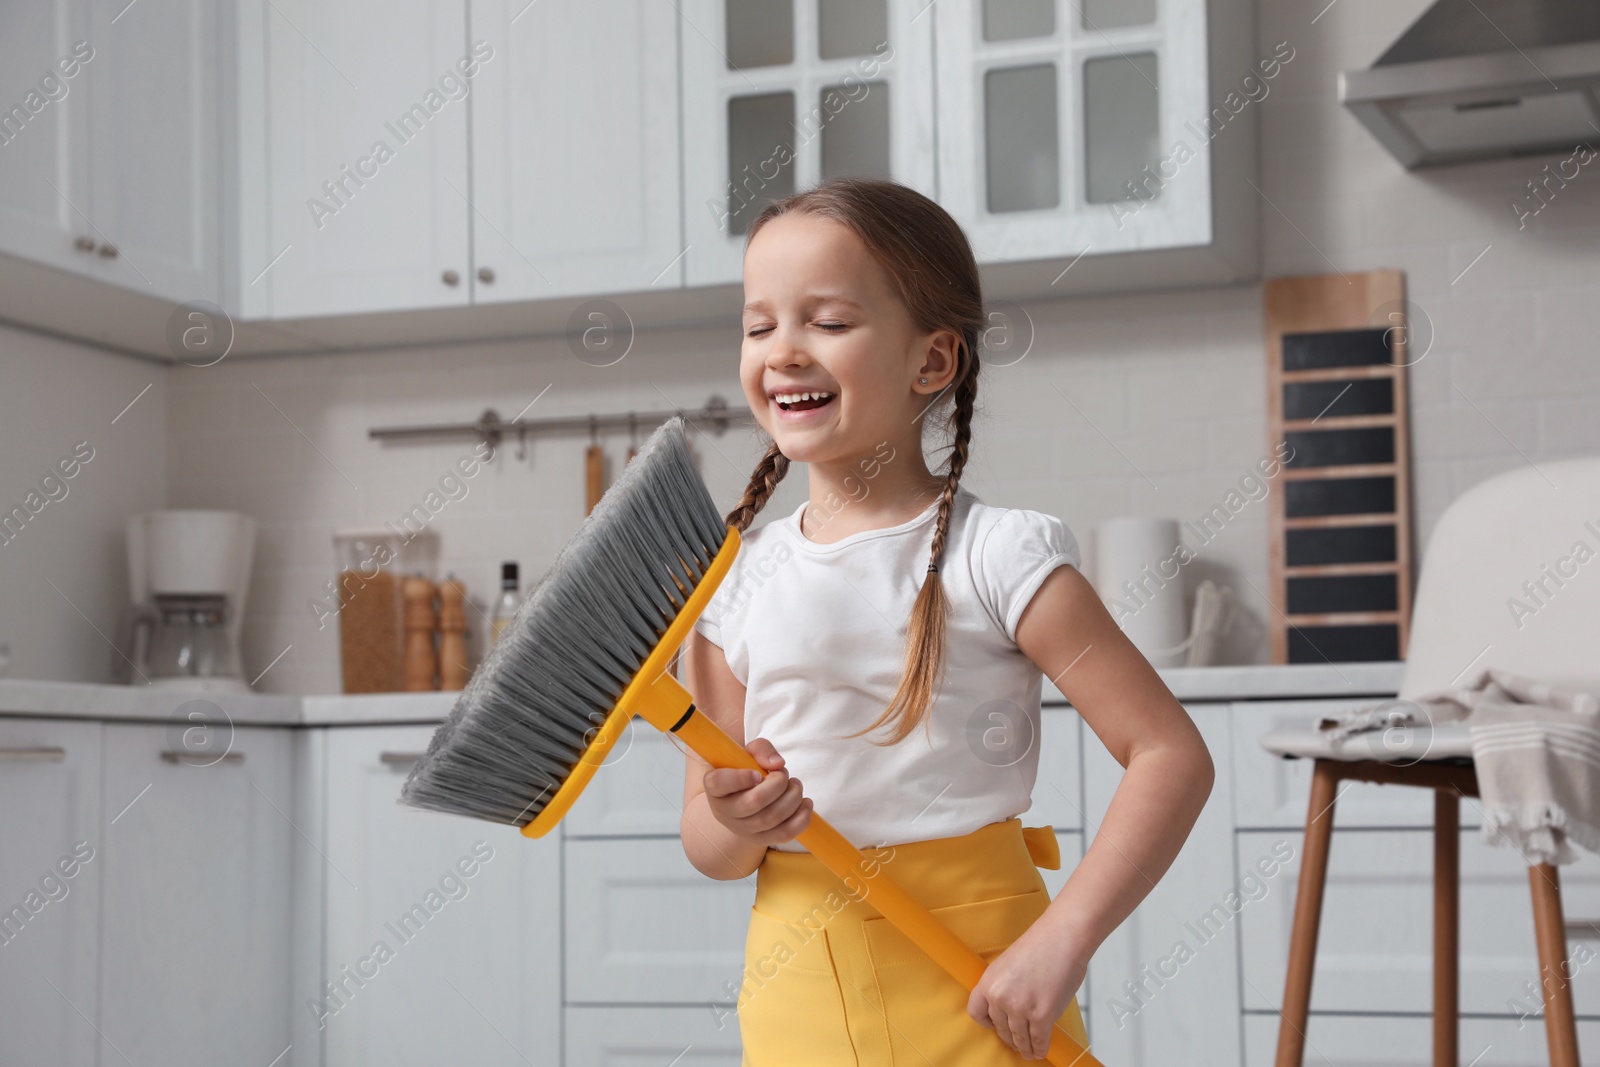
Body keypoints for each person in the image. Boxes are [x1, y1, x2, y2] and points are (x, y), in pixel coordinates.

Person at [679, 177, 1214, 1064]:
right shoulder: (733, 581)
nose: (784, 351)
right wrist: (737, 820)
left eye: (829, 322)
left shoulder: (1000, 556)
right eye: (760, 323)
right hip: (801, 992)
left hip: (981, 980)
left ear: (932, 361)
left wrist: (1060, 943)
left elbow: (1170, 753)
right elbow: (707, 841)